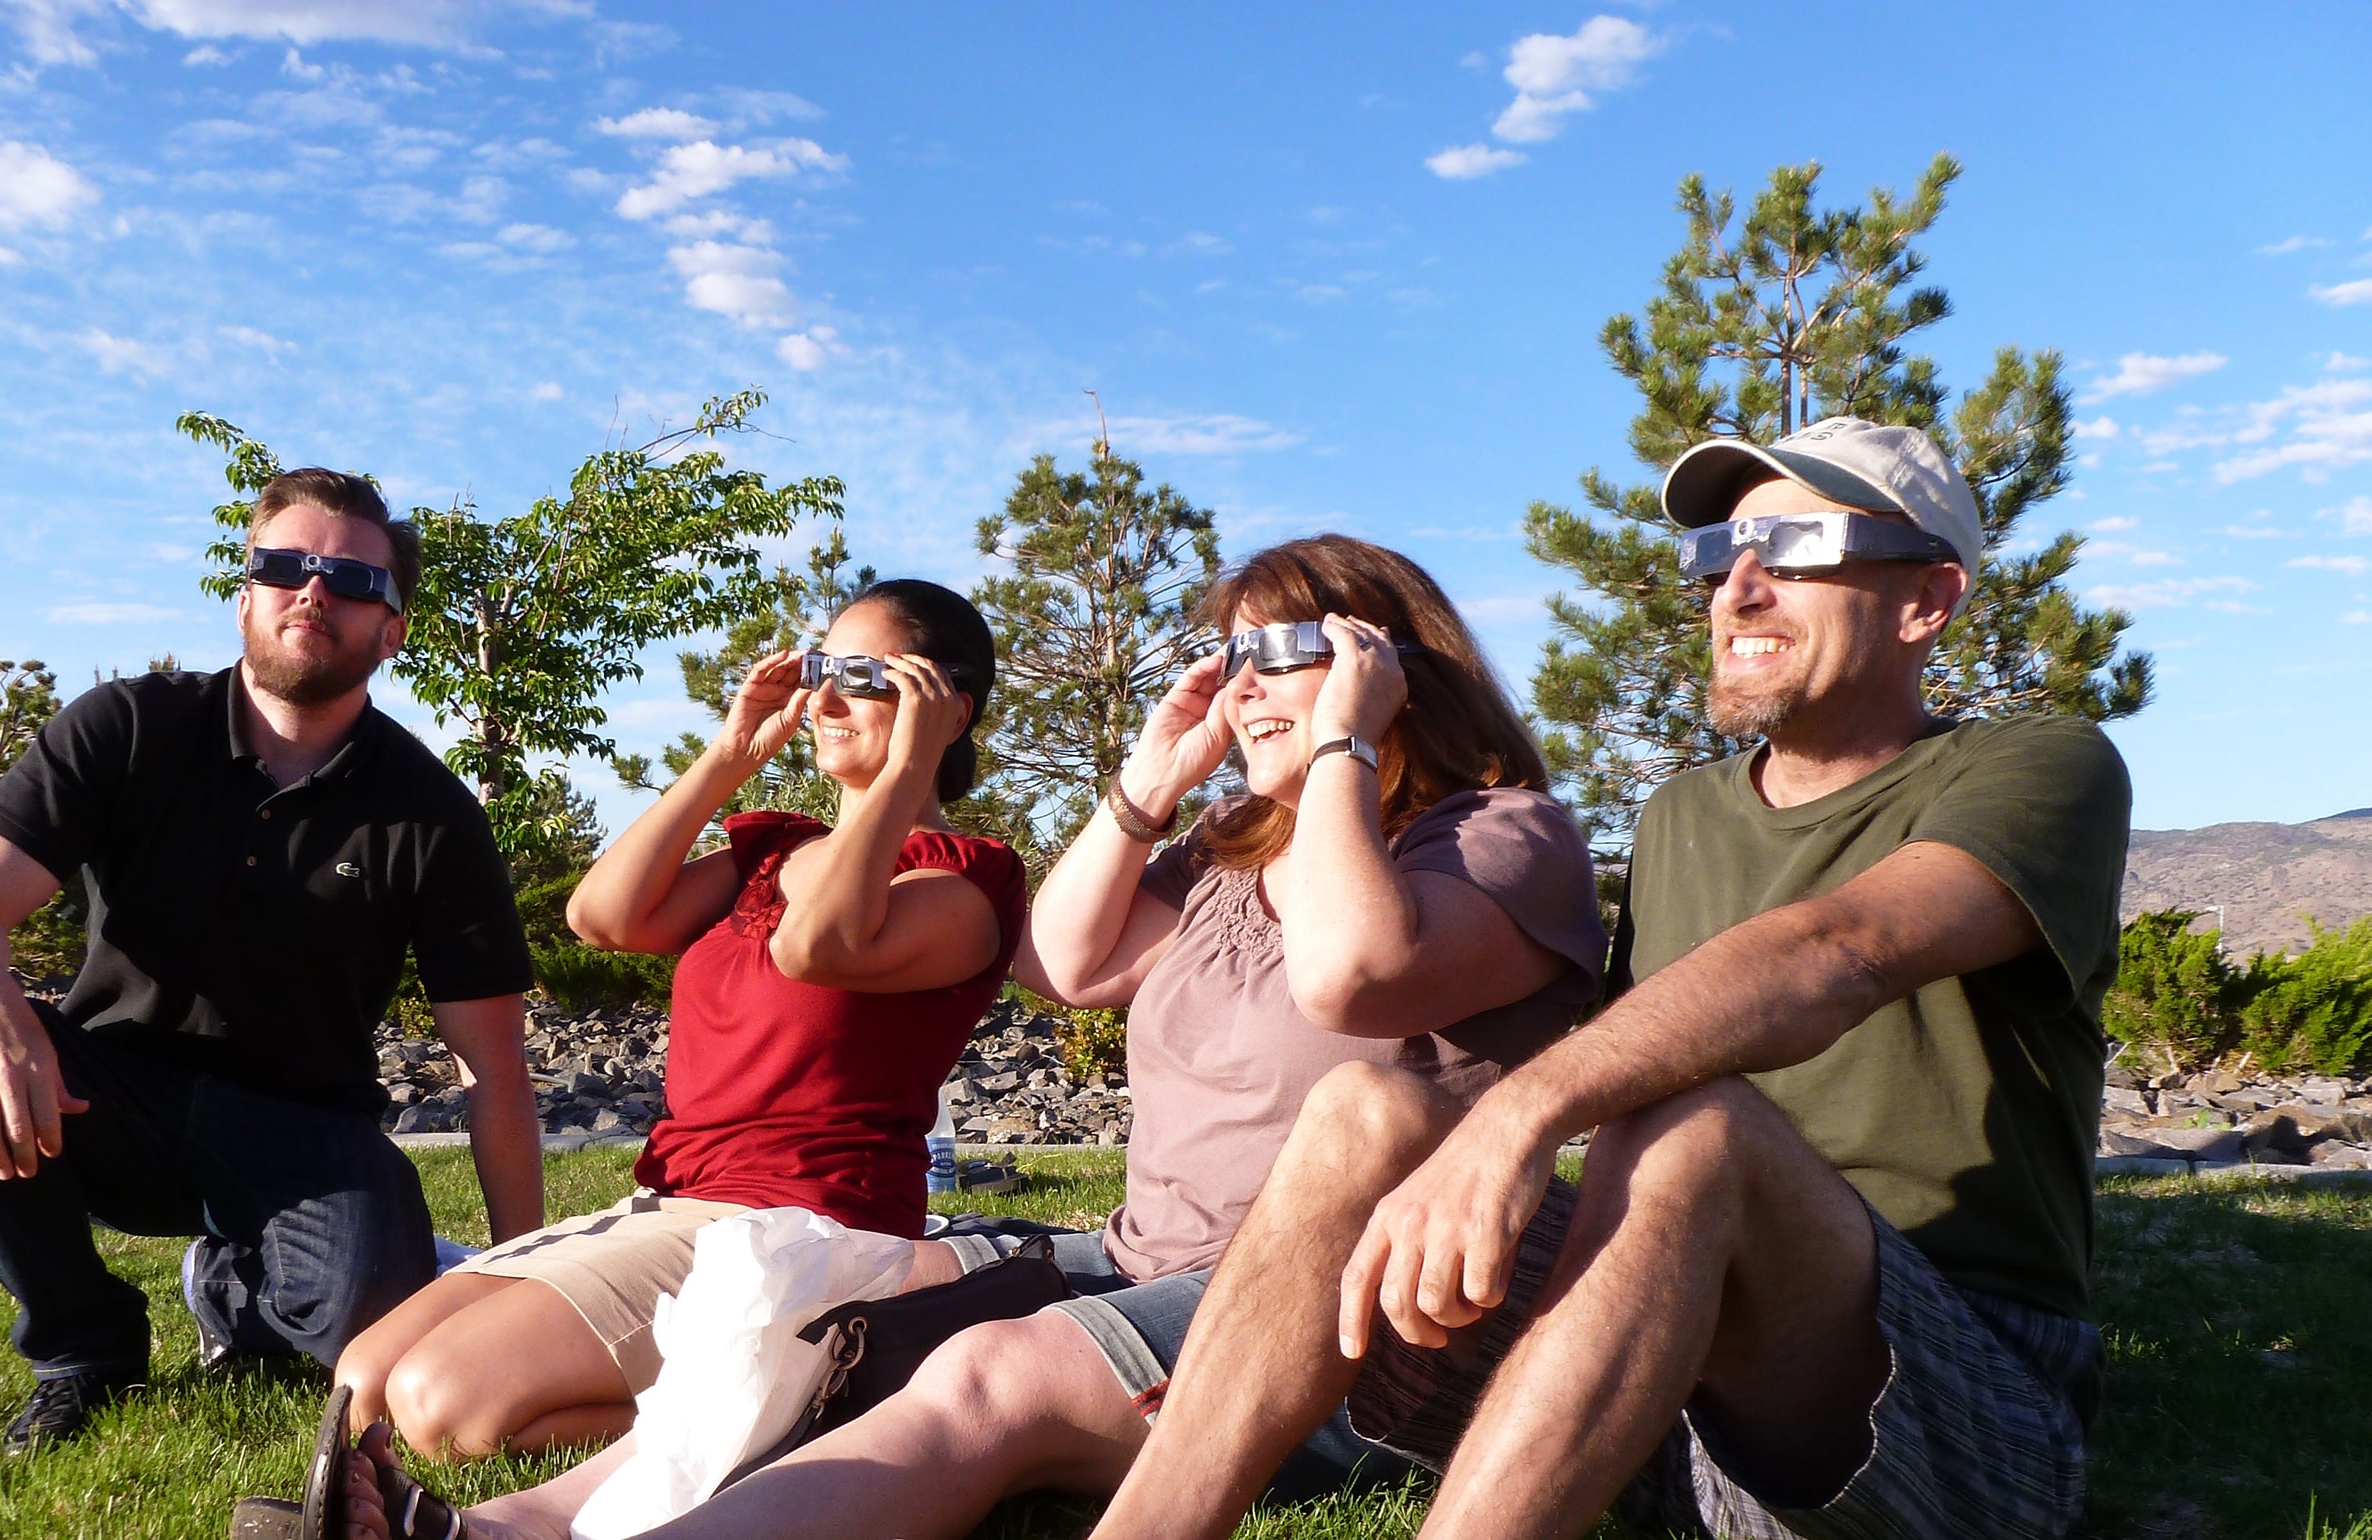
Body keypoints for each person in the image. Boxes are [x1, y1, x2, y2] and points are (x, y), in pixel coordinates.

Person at [322, 533, 1609, 1540]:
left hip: (1347, 1322)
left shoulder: (1501, 839)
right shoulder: (1232, 858)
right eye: (1226, 655)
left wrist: (1339, 742)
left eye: (1280, 648)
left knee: (984, 1376)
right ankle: (504, 1525)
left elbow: (1349, 972)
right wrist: (1150, 785)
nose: (1240, 683)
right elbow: (1061, 960)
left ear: (1391, 662)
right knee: (820, 1312)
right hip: (1134, 1254)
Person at [1088, 417, 2131, 1540]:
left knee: (1698, 1131)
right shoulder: (1679, 812)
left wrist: (1523, 1114)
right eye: (1718, 554)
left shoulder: (2040, 766)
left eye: (1795, 547)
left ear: (1925, 598)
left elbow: (1838, 951)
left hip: (1941, 1401)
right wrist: (1252, 1352)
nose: (1736, 587)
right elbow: (1607, 1062)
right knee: (1362, 1110)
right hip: (1663, 1364)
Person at [0, 469, 545, 1455]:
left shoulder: (430, 812)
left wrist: (528, 1272)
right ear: (245, 596)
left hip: (305, 1128)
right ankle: (82, 1343)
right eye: (283, 566)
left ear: (391, 631)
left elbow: (495, 1068)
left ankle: (229, 1291)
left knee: (367, 1318)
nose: (313, 591)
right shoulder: (129, 725)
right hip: (108, 1099)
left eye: (352, 581)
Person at [324, 578, 1028, 1461]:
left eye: (862, 672)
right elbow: (604, 916)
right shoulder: (772, 851)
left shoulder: (965, 880)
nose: (826, 695)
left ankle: (833, 1377)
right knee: (363, 1381)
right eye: (821, 666)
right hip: (675, 1200)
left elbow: (819, 948)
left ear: (946, 709)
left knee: (442, 1407)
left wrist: (907, 773)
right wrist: (731, 752)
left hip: (805, 1226)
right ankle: (765, 1373)